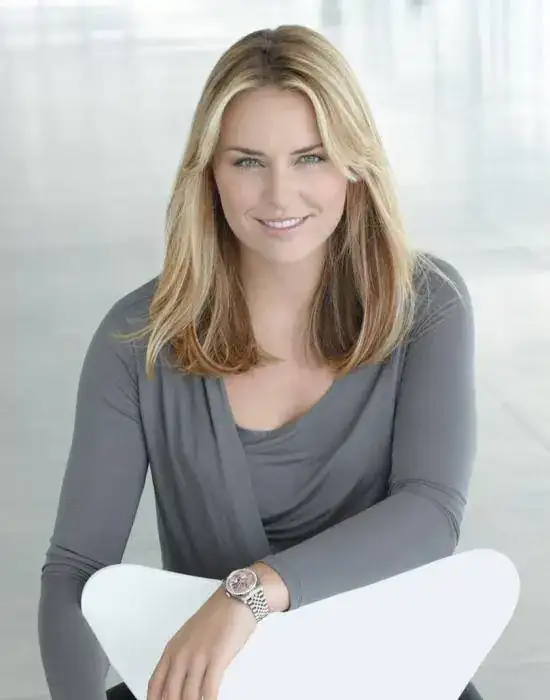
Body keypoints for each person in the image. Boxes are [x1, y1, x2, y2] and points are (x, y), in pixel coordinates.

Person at [38, 24, 483, 700]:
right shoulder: (137, 340)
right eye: (247, 161)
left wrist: (247, 595)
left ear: (355, 163)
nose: (280, 195)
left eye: (311, 158)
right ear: (209, 173)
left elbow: (430, 512)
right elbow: (75, 569)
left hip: (393, 678)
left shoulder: (427, 304)